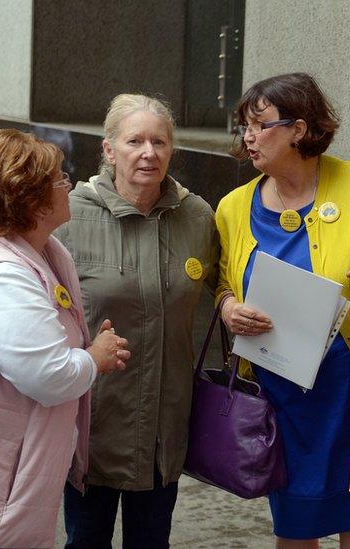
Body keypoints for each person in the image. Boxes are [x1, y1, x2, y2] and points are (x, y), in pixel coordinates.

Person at [215, 72, 350, 548]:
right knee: (294, 521)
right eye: (244, 127)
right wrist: (228, 307)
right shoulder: (233, 207)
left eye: (260, 125)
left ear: (299, 129)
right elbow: (221, 283)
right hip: (280, 390)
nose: (249, 137)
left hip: (349, 382)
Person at [0, 129, 129, 548]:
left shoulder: (35, 252)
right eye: (61, 179)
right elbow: (49, 377)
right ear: (31, 199)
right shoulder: (3, 276)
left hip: (1, 487)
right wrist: (94, 358)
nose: (70, 185)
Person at [55, 94, 219, 548]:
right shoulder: (69, 216)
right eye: (135, 141)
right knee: (85, 540)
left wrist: (227, 303)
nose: (149, 152)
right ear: (110, 150)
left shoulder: (197, 216)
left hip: (164, 429)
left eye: (159, 142)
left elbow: (228, 283)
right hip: (95, 424)